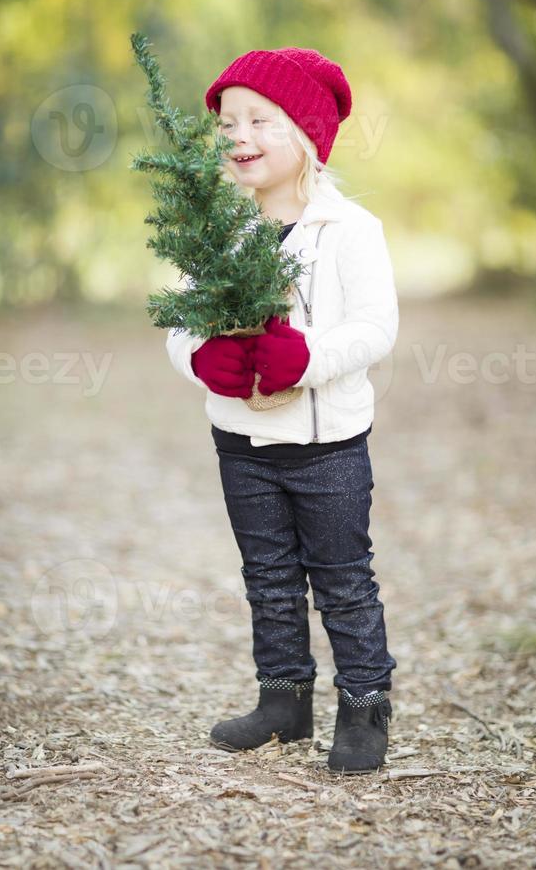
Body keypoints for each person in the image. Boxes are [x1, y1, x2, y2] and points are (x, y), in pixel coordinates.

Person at [165, 46, 399, 775]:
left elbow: (373, 326)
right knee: (266, 573)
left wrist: (307, 359)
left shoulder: (349, 229)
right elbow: (181, 323)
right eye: (228, 123)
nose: (238, 136)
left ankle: (364, 704)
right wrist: (203, 359)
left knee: (341, 576)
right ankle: (282, 700)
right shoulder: (218, 233)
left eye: (259, 120)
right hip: (242, 441)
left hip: (327, 445)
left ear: (304, 133)